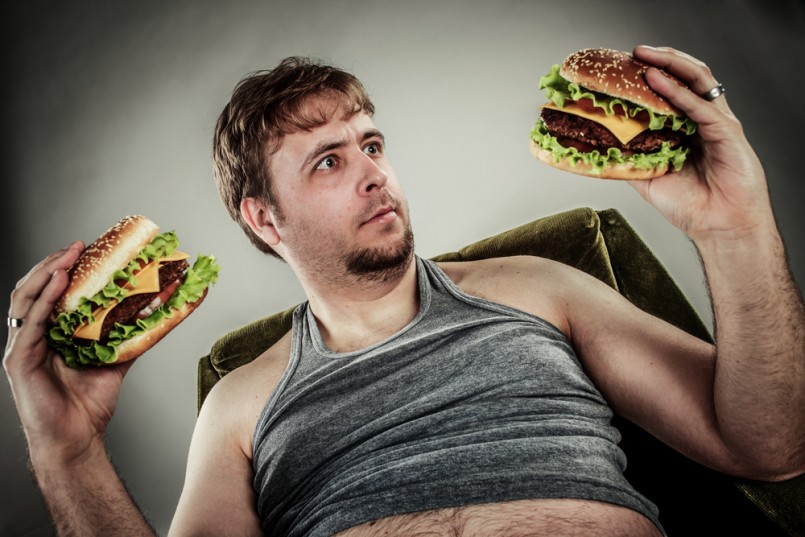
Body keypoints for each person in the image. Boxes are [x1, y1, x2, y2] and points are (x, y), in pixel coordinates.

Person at [4, 45, 804, 537]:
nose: (375, 174)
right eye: (328, 161)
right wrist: (67, 451)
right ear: (264, 218)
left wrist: (732, 227)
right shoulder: (240, 405)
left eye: (372, 144)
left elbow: (769, 446)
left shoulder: (538, 288)